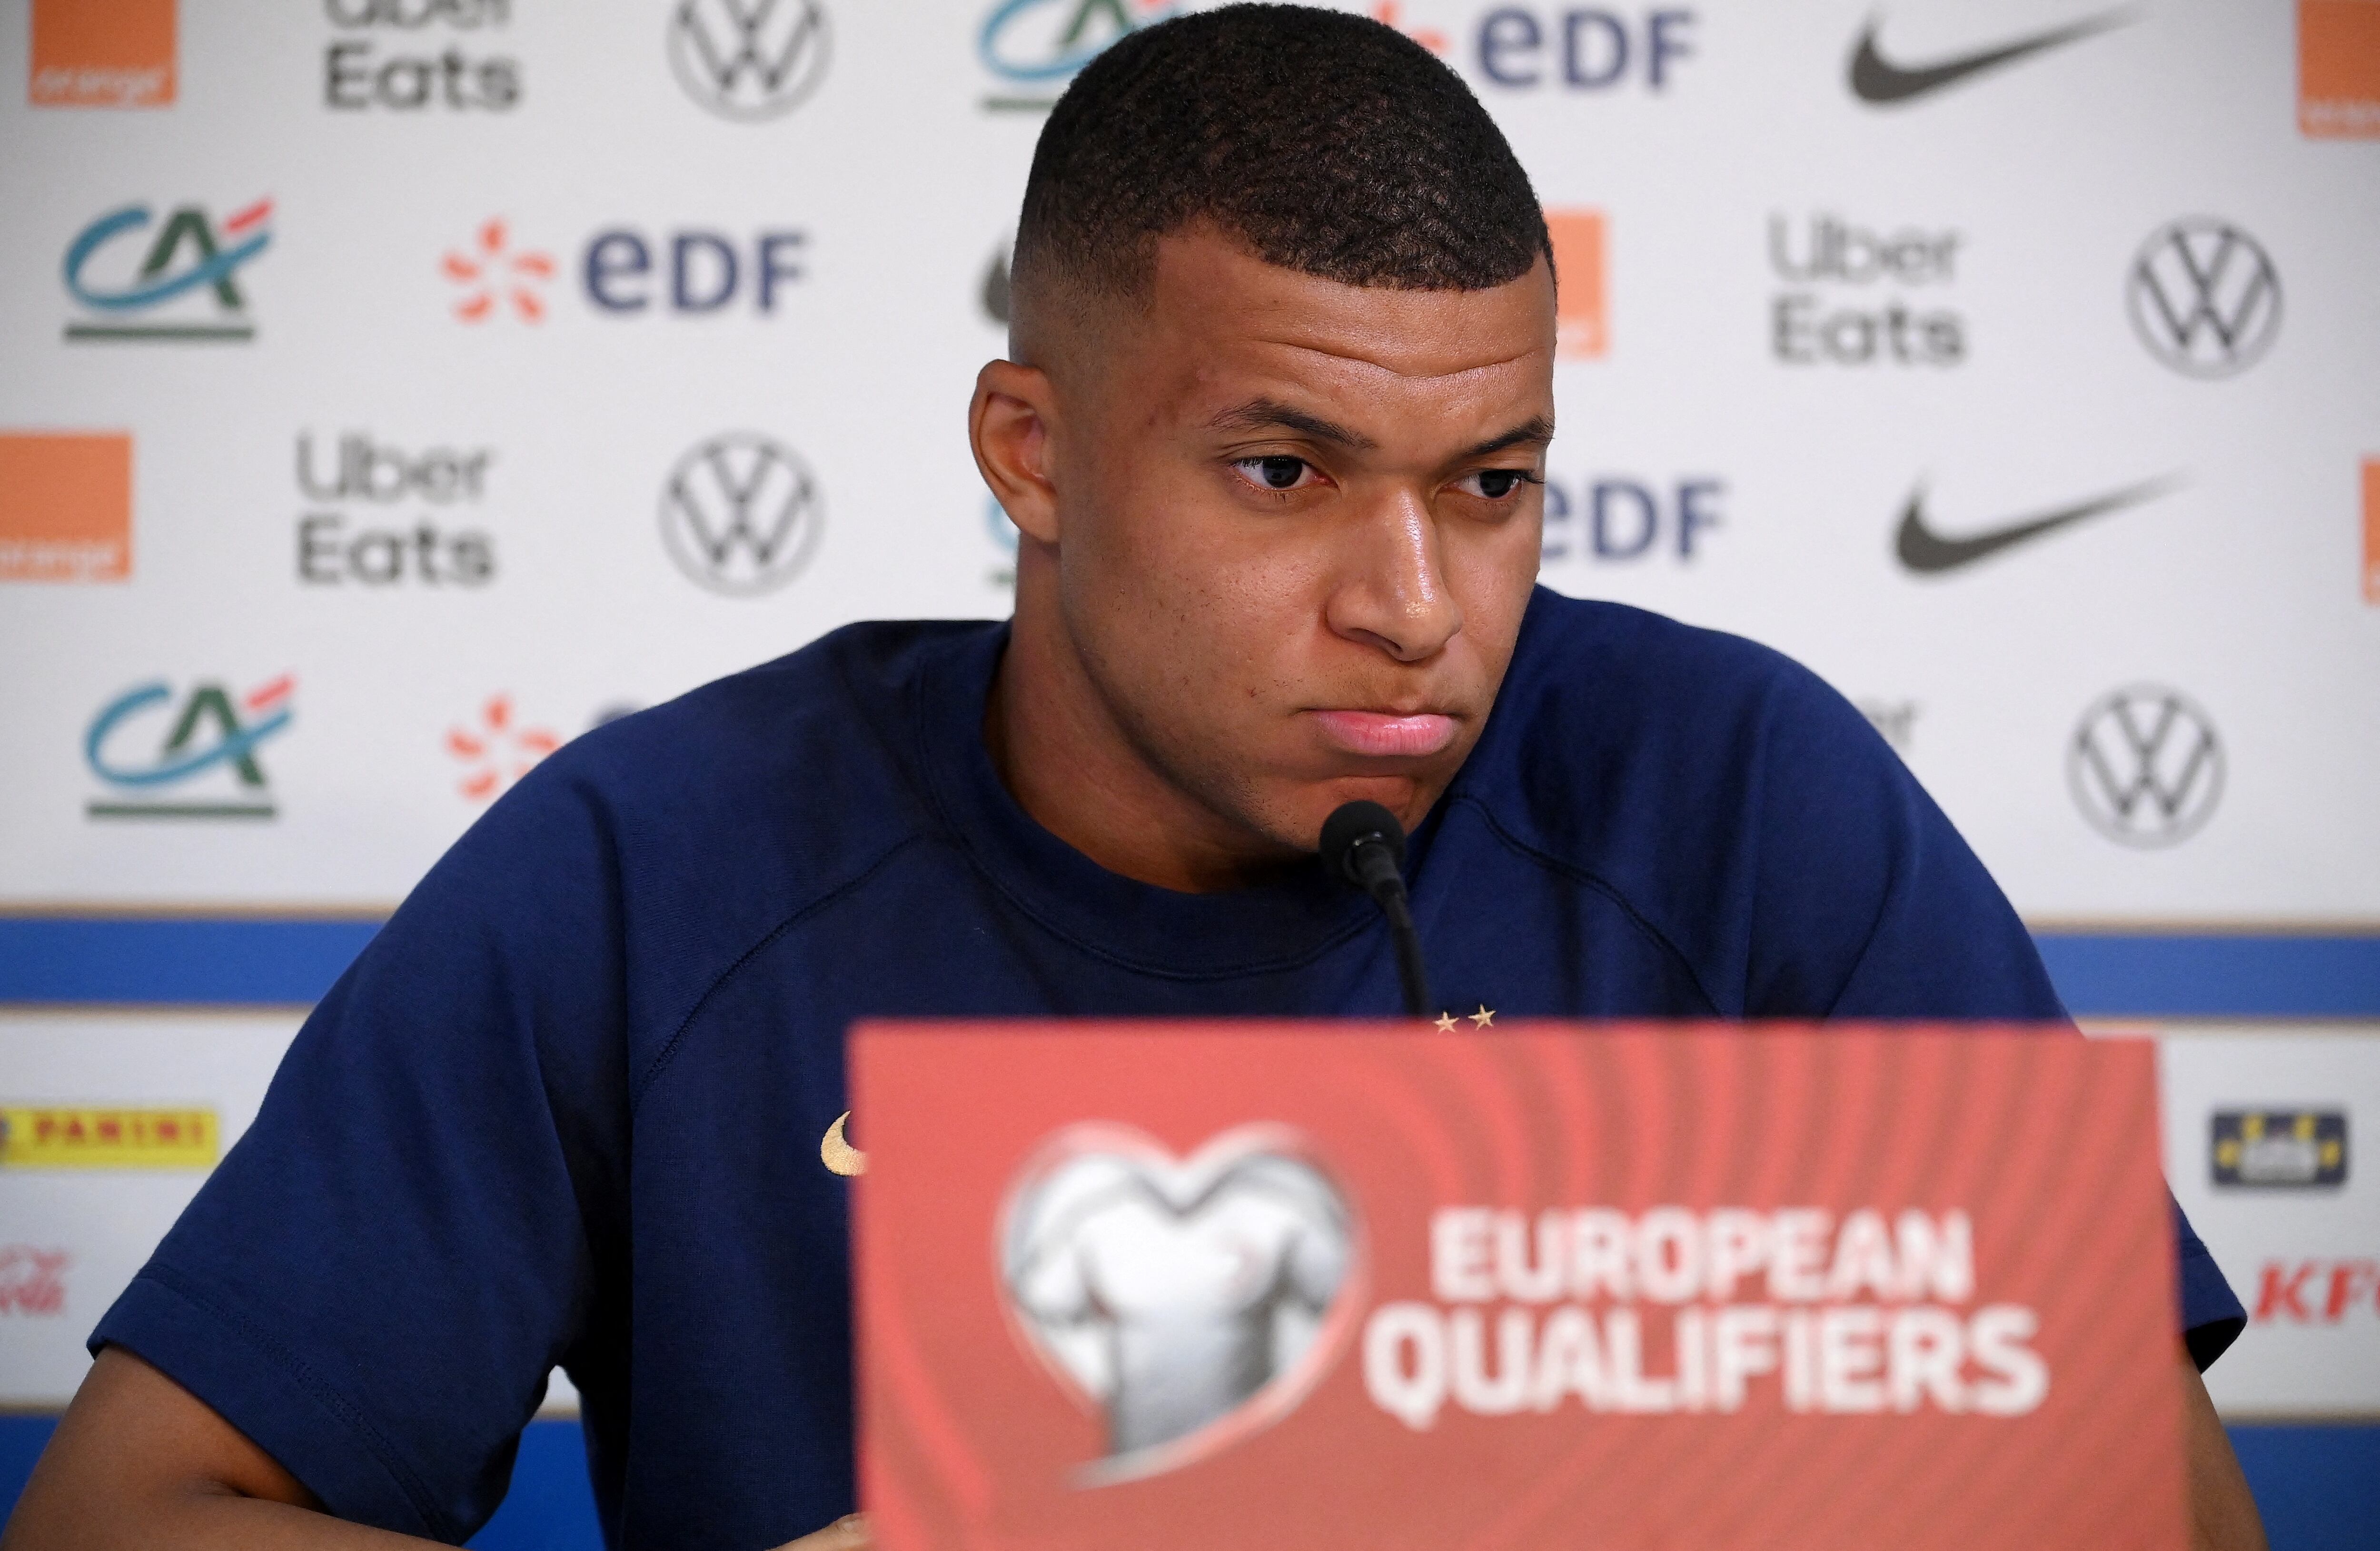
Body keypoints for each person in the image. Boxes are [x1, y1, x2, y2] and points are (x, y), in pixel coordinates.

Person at [2, 7, 2262, 1550]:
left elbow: (2158, 1500)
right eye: (1283, 469)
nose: (1414, 601)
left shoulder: (1735, 791)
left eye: (1491, 481)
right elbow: (125, 1509)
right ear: (1034, 455)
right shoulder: (659, 862)